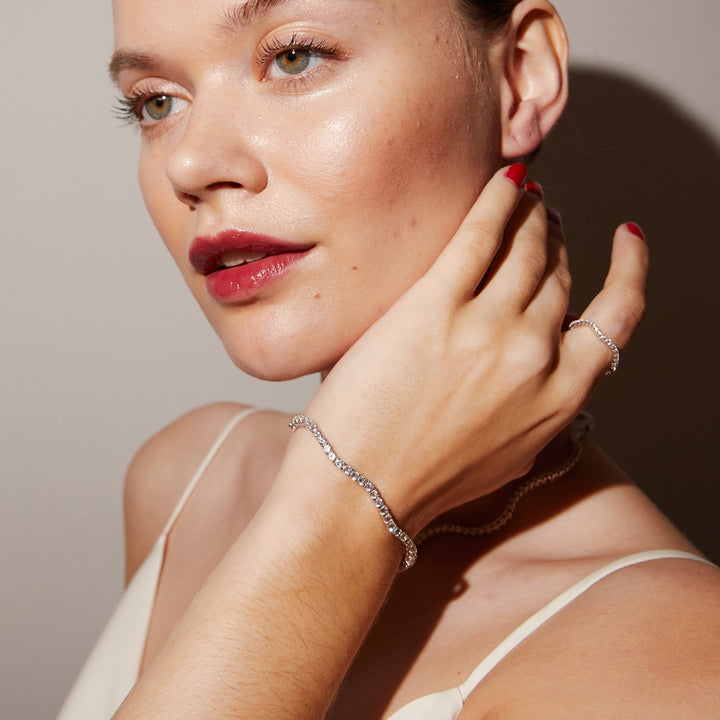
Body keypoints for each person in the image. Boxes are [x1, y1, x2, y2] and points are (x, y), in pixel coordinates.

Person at [57, 0, 720, 718]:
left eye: (294, 57)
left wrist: (344, 508)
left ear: (521, 76)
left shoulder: (677, 665)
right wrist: (346, 501)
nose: (190, 163)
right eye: (156, 102)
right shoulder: (188, 480)